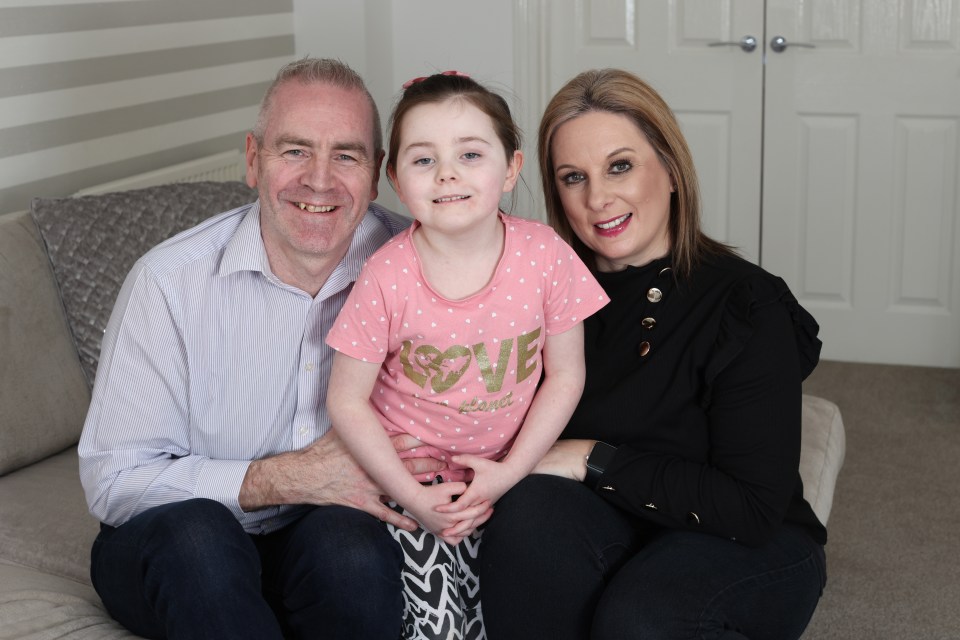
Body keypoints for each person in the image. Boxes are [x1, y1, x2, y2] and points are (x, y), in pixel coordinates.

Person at [77, 58, 489, 640]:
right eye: (295, 150)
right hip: (169, 542)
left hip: (319, 533)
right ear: (253, 159)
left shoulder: (419, 264)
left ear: (378, 177)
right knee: (201, 540)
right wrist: (289, 478)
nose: (319, 180)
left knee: (353, 549)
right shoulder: (169, 281)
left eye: (346, 155)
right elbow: (115, 481)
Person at [478, 68, 827, 640]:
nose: (597, 198)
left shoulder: (744, 303)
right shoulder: (540, 292)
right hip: (612, 519)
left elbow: (751, 508)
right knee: (529, 512)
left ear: (669, 168)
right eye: (573, 177)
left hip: (747, 540)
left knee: (642, 615)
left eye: (620, 165)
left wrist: (590, 455)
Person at [325, 72, 608, 640]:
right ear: (395, 181)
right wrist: (412, 499)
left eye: (470, 154)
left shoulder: (545, 255)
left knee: (520, 612)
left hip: (510, 475)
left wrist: (508, 474)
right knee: (432, 628)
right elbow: (346, 400)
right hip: (408, 485)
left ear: (510, 169)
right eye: (423, 159)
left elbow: (566, 375)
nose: (448, 173)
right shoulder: (386, 275)